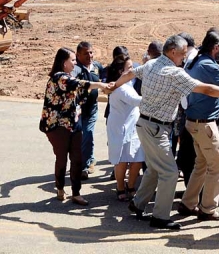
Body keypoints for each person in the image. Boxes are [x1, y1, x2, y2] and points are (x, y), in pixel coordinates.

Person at [109, 35, 219, 231]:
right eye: (182, 54)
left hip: (145, 125)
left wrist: (115, 85)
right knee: (170, 173)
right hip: (157, 128)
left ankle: (137, 203)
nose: (184, 57)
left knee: (156, 169)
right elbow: (205, 89)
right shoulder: (174, 74)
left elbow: (130, 73)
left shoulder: (151, 64)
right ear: (173, 52)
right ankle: (160, 217)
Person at [177, 30, 219, 222]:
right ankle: (208, 209)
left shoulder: (196, 61)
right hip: (205, 125)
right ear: (216, 48)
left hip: (194, 122)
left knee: (202, 164)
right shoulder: (208, 65)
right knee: (217, 166)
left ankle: (188, 202)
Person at [40, 47, 108, 206]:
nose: (75, 62)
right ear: (64, 63)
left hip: (74, 124)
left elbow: (80, 96)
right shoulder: (59, 78)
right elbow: (78, 85)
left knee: (77, 160)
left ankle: (76, 193)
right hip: (58, 127)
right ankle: (60, 189)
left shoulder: (69, 76)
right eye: (72, 60)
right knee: (62, 159)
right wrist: (99, 85)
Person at [106, 54, 144, 202]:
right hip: (121, 128)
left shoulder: (127, 84)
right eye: (129, 68)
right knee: (122, 160)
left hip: (133, 127)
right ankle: (121, 187)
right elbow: (136, 101)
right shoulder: (121, 88)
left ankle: (131, 186)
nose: (132, 71)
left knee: (137, 159)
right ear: (121, 71)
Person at [73, 41, 105, 180]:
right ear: (78, 55)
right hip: (78, 110)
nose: (89, 55)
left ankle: (84, 167)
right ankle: (89, 159)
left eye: (91, 52)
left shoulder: (97, 67)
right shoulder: (75, 69)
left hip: (92, 109)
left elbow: (106, 78)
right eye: (86, 53)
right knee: (81, 137)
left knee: (88, 134)